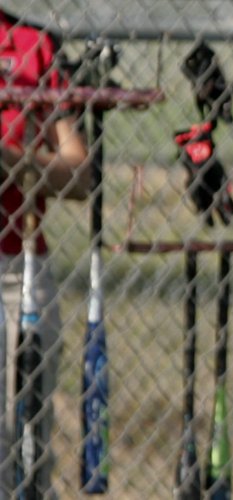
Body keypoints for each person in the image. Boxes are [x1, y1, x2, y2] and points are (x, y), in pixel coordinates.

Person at [0, 9, 91, 494]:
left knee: (24, 442)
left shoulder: (28, 45)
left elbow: (78, 174)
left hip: (17, 263)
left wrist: (12, 161)